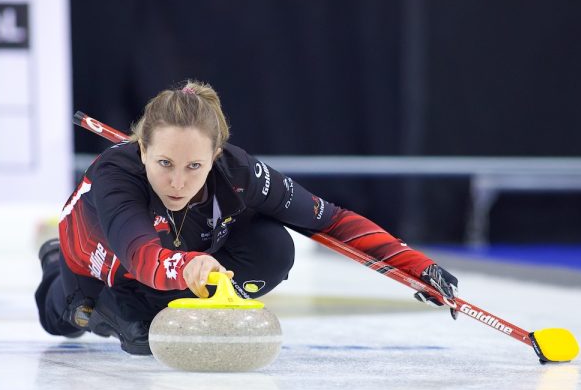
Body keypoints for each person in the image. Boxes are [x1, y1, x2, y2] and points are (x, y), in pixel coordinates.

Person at [35, 80, 459, 355]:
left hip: (180, 261)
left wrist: (417, 265)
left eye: (193, 167)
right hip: (99, 269)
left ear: (215, 156)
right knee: (87, 322)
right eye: (164, 162)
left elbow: (330, 220)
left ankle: (165, 302)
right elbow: (140, 253)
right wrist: (190, 265)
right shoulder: (115, 176)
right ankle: (55, 265)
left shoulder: (239, 174)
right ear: (141, 149)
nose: (177, 182)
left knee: (273, 247)